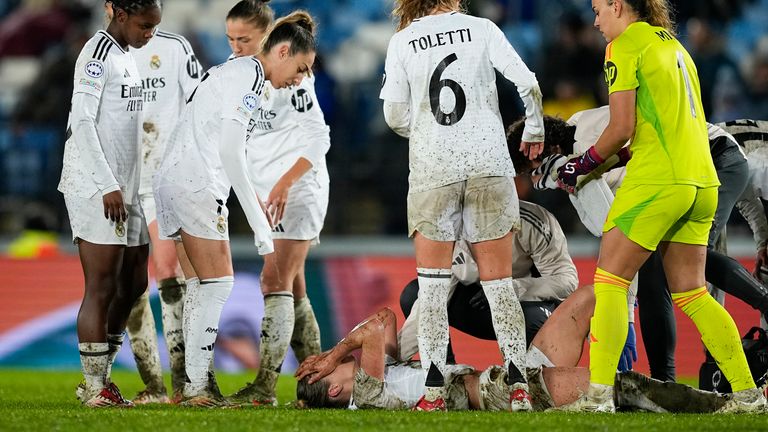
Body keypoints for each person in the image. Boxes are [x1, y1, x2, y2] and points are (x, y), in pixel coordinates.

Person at [540, 0, 763, 412]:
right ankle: (749, 395)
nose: (595, 21)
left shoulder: (624, 46)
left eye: (598, 10)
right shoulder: (677, 47)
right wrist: (608, 160)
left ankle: (598, 396)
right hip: (701, 182)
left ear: (617, 6)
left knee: (609, 280)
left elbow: (621, 128)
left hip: (659, 180)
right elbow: (650, 129)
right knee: (693, 292)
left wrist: (580, 166)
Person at [508, 109, 768, 382]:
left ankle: (762, 306)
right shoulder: (577, 135)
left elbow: (614, 235)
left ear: (547, 149)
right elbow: (621, 237)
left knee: (686, 263)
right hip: (691, 166)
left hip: (707, 161)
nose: (536, 182)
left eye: (533, 171)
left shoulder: (584, 153)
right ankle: (664, 380)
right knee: (656, 269)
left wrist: (627, 315)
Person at [380, 0, 545, 411]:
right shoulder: (482, 28)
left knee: (433, 291)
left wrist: (425, 130)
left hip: (434, 171)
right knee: (500, 286)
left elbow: (393, 113)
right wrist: (536, 125)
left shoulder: (402, 41)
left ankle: (434, 393)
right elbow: (528, 81)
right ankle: (519, 387)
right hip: (489, 164)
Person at [154, 9, 317, 407]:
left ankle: (195, 386)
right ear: (281, 51)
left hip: (171, 176)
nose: (302, 78)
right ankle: (195, 387)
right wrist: (259, 222)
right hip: (196, 179)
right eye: (301, 67)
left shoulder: (235, 70)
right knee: (218, 283)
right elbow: (229, 149)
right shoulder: (252, 77)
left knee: (198, 286)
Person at [294, 305, 738, 413]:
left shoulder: (378, 375)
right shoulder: (365, 395)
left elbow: (386, 318)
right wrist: (333, 353)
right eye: (334, 371)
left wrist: (336, 356)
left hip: (508, 375)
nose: (338, 365)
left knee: (588, 299)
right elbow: (372, 330)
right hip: (502, 392)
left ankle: (620, 363)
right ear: (335, 387)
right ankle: (725, 404)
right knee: (621, 388)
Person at [221, 1, 330, 407]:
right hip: (267, 194)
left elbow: (319, 138)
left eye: (243, 40)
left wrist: (284, 184)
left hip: (297, 190)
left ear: (268, 42)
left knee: (274, 281)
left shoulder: (297, 81)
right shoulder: (242, 76)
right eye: (230, 40)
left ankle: (265, 388)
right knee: (296, 291)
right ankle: (317, 387)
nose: (235, 47)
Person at [96, 0, 201, 404]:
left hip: (161, 181)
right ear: (113, 10)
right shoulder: (99, 54)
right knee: (128, 285)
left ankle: (180, 380)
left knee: (168, 270)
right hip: (120, 184)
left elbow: (199, 106)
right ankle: (152, 384)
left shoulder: (174, 48)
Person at [58, 0, 161, 408]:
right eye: (144, 25)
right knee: (101, 286)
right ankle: (93, 385)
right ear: (120, 15)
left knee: (134, 283)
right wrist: (106, 185)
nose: (149, 34)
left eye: (155, 27)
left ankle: (100, 379)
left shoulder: (128, 56)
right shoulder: (98, 53)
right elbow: (81, 120)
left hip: (127, 188)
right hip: (96, 186)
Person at [398, 200, 579, 362]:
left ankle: (530, 384)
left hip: (526, 307)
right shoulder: (448, 230)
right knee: (413, 294)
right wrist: (391, 358)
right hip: (481, 306)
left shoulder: (532, 221)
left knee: (534, 320)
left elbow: (567, 281)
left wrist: (511, 289)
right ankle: (446, 374)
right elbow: (431, 302)